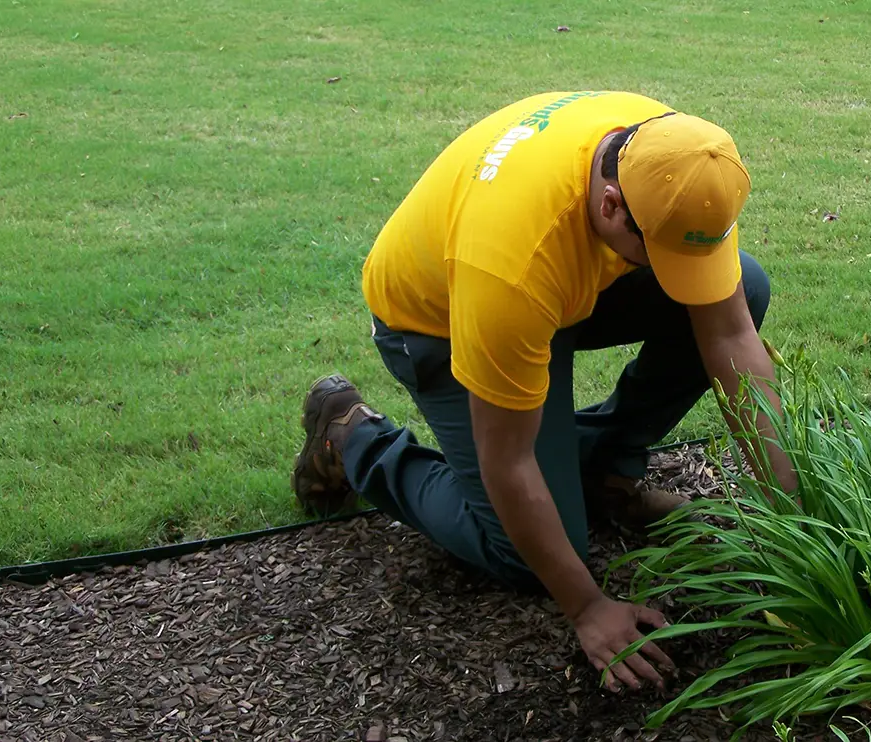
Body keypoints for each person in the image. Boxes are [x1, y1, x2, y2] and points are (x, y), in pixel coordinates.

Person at [290, 90, 797, 695]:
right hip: (438, 319)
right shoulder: (511, 264)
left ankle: (601, 471)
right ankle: (352, 436)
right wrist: (587, 608)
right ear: (611, 205)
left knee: (749, 289)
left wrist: (793, 524)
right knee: (519, 554)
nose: (673, 273)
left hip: (560, 284)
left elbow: (732, 334)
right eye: (657, 254)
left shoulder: (679, 162)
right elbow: (507, 460)